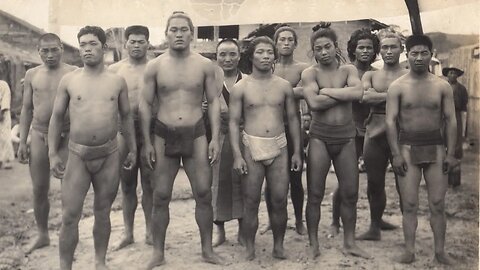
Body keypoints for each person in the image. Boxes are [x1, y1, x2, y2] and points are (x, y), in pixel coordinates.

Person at [139, 12, 224, 269]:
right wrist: (147, 141)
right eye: (173, 29)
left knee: (203, 193)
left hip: (196, 132)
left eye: (183, 29)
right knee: (160, 195)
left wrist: (215, 138)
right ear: (165, 33)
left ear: (192, 33)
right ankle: (158, 252)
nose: (178, 34)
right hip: (163, 133)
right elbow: (144, 104)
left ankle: (207, 249)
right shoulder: (154, 66)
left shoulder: (204, 65)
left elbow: (214, 103)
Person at [48, 26, 137, 270]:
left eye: (92, 44)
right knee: (69, 216)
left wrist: (133, 149)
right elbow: (56, 117)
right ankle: (65, 265)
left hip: (109, 154)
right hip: (77, 155)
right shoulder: (70, 80)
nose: (87, 49)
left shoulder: (117, 81)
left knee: (103, 212)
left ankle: (100, 262)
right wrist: (53, 152)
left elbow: (127, 117)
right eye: (83, 44)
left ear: (104, 47)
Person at [386, 34, 457, 265]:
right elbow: (390, 122)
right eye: (414, 53)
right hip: (407, 148)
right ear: (407, 56)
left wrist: (451, 153)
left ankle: (440, 251)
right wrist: (395, 154)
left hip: (436, 148)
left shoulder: (442, 86)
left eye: (423, 53)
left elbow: (451, 120)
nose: (418, 58)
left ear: (431, 55)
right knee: (409, 204)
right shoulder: (397, 87)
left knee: (437, 202)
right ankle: (409, 250)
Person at [229, 36, 302, 260]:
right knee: (251, 200)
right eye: (260, 52)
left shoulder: (284, 86)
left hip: (279, 146)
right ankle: (250, 246)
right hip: (251, 145)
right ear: (251, 56)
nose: (266, 56)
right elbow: (233, 122)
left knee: (280, 198)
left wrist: (297, 151)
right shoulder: (240, 87)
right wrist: (237, 155)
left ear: (274, 56)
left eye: (269, 52)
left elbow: (293, 118)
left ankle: (278, 245)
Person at [301, 23, 370, 259]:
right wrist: (343, 94)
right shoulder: (310, 74)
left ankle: (349, 242)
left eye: (327, 47)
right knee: (315, 194)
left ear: (335, 46)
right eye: (318, 48)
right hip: (320, 137)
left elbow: (358, 94)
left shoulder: (348, 70)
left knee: (350, 193)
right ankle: (313, 244)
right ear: (313, 51)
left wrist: (327, 91)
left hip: (346, 136)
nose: (323, 52)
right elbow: (314, 104)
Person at [17, 33, 77, 254]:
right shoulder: (32, 74)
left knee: (69, 189)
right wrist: (23, 141)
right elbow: (26, 109)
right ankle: (43, 234)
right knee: (39, 188)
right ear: (38, 51)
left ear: (62, 48)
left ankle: (68, 233)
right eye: (45, 50)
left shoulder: (73, 72)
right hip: (40, 133)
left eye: (54, 49)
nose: (50, 55)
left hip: (67, 135)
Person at [356, 30, 408, 241]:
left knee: (404, 182)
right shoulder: (371, 74)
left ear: (401, 50)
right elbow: (365, 97)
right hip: (375, 132)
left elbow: (412, 98)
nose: (388, 51)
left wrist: (381, 97)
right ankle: (375, 227)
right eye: (384, 47)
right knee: (374, 183)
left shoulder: (409, 72)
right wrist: (397, 96)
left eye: (393, 47)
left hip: (403, 133)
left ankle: (408, 230)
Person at [260, 25, 309, 236]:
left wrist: (281, 91)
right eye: (282, 40)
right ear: (276, 43)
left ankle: (299, 220)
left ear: (295, 44)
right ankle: (273, 220)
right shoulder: (267, 66)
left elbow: (307, 90)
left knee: (295, 178)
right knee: (270, 180)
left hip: (293, 128)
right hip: (269, 128)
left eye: (290, 39)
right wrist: (292, 91)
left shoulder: (303, 68)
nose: (286, 43)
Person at [330, 28, 380, 237]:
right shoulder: (345, 71)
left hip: (372, 131)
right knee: (346, 181)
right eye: (361, 47)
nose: (366, 51)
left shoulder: (378, 74)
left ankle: (376, 221)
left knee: (376, 180)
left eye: (370, 47)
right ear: (353, 49)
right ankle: (335, 222)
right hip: (349, 130)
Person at [108, 25, 154, 250]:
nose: (136, 45)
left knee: (150, 183)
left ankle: (150, 231)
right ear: (125, 44)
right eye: (132, 41)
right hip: (123, 131)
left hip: (150, 130)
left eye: (141, 41)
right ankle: (128, 232)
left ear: (148, 43)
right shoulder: (114, 70)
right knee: (127, 185)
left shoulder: (155, 68)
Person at [211, 38, 245, 247]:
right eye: (223, 54)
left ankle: (243, 229)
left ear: (240, 56)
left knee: (244, 182)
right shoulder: (210, 81)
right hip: (219, 137)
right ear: (216, 57)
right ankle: (220, 231)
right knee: (218, 184)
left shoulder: (248, 80)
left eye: (232, 54)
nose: (228, 59)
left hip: (245, 137)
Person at [443, 66, 468, 188]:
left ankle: (455, 180)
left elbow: (464, 108)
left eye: (454, 73)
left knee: (456, 147)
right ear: (447, 75)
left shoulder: (462, 89)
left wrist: (463, 130)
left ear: (457, 76)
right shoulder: (442, 87)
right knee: (443, 146)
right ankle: (443, 179)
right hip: (443, 118)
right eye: (450, 73)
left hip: (456, 117)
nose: (452, 75)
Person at [0, 80, 14, 169]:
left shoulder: (3, 84)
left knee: (5, 136)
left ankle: (7, 160)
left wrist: (2, 112)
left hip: (3, 112)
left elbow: (5, 100)